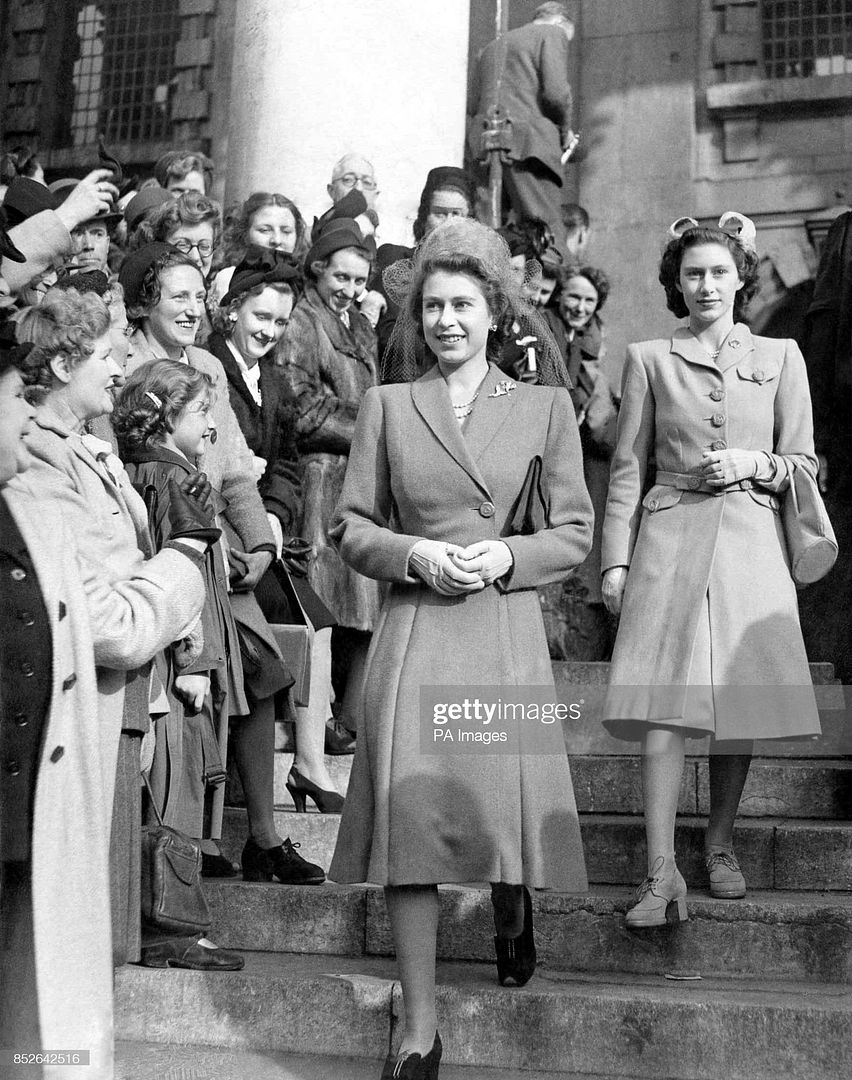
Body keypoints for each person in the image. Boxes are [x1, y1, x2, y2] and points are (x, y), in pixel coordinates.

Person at [329, 218, 593, 1078]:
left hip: (502, 626)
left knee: (497, 812)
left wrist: (509, 555)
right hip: (417, 628)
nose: (446, 320)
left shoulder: (545, 406)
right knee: (411, 825)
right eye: (433, 305)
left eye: (462, 305)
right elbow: (352, 527)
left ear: (493, 314)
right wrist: (417, 553)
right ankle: (420, 1028)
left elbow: (576, 533)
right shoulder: (388, 406)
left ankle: (513, 903)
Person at [601, 213, 822, 928]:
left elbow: (806, 462)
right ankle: (660, 870)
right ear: (675, 281)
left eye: (719, 272)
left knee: (738, 699)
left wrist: (758, 463)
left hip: (751, 539)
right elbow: (627, 471)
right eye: (692, 272)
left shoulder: (783, 355)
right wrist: (615, 561)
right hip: (669, 538)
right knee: (665, 705)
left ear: (741, 279)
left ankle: (720, 843)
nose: (705, 284)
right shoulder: (648, 358)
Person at [119, 243, 326, 888]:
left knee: (262, 670)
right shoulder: (124, 364)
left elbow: (236, 474)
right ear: (146, 300)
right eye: (175, 295)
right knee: (193, 693)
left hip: (225, 558)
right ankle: (189, 841)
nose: (189, 307)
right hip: (165, 557)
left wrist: (261, 548)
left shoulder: (207, 363)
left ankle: (264, 839)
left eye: (195, 294)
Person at [206, 246, 347, 788]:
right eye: (260, 317)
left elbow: (287, 464)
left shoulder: (276, 381)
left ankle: (309, 766)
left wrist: (272, 512)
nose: (269, 330)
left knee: (319, 623)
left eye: (280, 322)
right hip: (222, 535)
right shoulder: (210, 368)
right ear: (233, 310)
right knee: (283, 628)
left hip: (260, 530)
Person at [281, 215, 381, 743]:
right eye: (341, 277)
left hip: (358, 483)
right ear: (318, 271)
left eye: (359, 280)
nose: (350, 289)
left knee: (364, 611)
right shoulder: (301, 321)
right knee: (322, 610)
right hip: (320, 483)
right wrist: (372, 423)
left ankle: (350, 718)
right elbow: (300, 407)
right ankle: (316, 723)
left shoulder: (361, 328)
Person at [540, 264, 618, 660]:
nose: (580, 306)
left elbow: (603, 426)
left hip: (579, 461)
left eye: (589, 301)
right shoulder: (544, 332)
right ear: (559, 296)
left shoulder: (591, 348)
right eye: (573, 296)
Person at [468, 2, 575, 250]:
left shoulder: (492, 47)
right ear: (561, 22)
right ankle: (559, 284)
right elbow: (556, 93)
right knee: (545, 232)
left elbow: (473, 104)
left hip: (484, 148)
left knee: (489, 234)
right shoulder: (553, 33)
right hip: (528, 147)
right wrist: (564, 132)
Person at [372, 166, 477, 359]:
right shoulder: (395, 263)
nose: (448, 223)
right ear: (424, 217)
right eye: (439, 213)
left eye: (457, 214)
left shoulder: (476, 278)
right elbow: (389, 339)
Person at [209, 191, 310, 312]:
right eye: (265, 230)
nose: (276, 240)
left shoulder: (306, 283)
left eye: (286, 231)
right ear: (245, 234)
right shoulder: (227, 278)